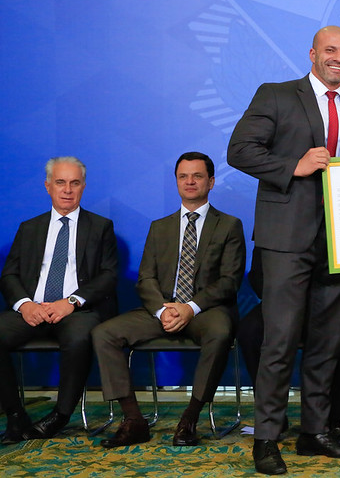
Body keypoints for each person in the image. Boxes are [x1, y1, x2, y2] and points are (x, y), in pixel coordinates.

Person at [228, 25, 340, 475]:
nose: (338, 57)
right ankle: (268, 439)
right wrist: (293, 165)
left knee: (327, 346)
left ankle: (315, 433)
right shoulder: (275, 95)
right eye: (330, 50)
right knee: (278, 342)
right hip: (286, 241)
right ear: (312, 53)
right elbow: (239, 150)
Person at [92, 152, 245, 448]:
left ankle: (190, 418)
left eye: (197, 176)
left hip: (206, 310)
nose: (190, 182)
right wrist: (163, 310)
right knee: (104, 333)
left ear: (211, 182)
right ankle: (133, 421)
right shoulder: (159, 227)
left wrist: (190, 308)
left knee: (221, 332)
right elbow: (145, 278)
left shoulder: (228, 225)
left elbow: (230, 281)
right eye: (183, 176)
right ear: (176, 181)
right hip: (162, 309)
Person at [0, 157, 117, 443]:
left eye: (74, 183)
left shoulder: (100, 226)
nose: (67, 190)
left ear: (83, 187)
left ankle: (60, 415)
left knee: (79, 339)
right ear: (48, 186)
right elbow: (9, 275)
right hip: (32, 309)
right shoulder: (29, 227)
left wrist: (72, 301)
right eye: (60, 182)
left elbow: (108, 275)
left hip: (77, 310)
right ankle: (16, 416)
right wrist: (25, 305)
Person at [237, 249, 340, 442]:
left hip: (333, 300)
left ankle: (334, 419)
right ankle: (272, 419)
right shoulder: (279, 223)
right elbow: (258, 278)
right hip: (283, 303)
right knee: (250, 330)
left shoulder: (335, 224)